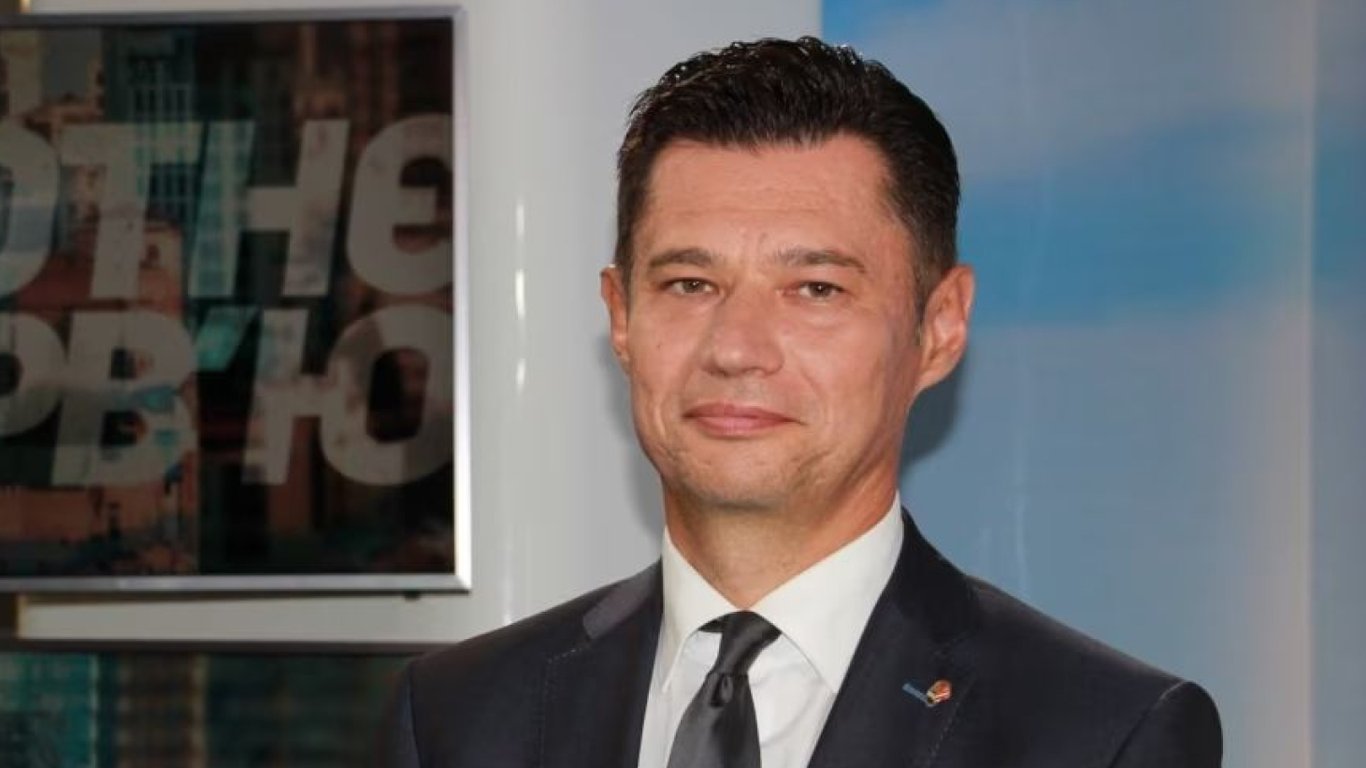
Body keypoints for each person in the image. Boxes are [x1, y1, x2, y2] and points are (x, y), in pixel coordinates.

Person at [380, 37, 1222, 767]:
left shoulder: (1100, 735)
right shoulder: (458, 715)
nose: (736, 348)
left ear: (939, 327)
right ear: (621, 317)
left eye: (815, 289)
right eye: (690, 283)